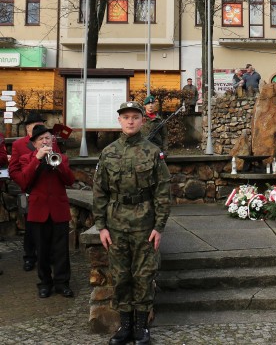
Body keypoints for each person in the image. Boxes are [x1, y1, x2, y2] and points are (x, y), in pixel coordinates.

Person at [93, 101, 171, 345]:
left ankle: (141, 327)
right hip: (116, 226)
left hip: (144, 225)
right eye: (125, 117)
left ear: (142, 120)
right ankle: (124, 327)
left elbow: (163, 191)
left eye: (134, 117)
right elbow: (99, 191)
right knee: (120, 276)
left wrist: (159, 227)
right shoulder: (108, 153)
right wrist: (101, 226)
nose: (130, 121)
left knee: (143, 276)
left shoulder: (152, 152)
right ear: (119, 121)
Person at [18, 124, 75, 299]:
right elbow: (24, 181)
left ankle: (62, 283)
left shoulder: (61, 158)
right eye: (41, 139)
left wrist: (58, 165)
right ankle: (45, 283)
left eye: (48, 138)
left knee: (61, 250)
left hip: (58, 210)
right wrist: (37, 159)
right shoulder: (27, 159)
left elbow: (70, 180)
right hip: (38, 210)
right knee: (41, 251)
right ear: (34, 144)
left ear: (53, 141)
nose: (45, 141)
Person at [9, 112, 61, 272]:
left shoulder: (50, 141)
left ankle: (48, 257)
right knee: (31, 226)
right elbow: (14, 169)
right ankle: (29, 257)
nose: (39, 128)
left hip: (48, 191)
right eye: (34, 126)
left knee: (49, 228)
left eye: (41, 125)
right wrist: (24, 182)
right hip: (30, 191)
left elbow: (58, 160)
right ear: (27, 129)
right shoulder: (19, 144)